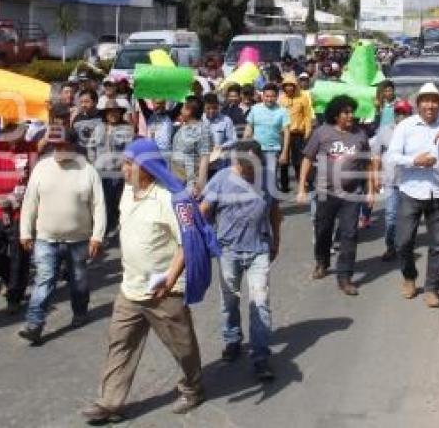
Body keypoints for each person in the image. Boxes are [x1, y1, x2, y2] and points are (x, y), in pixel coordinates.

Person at [81, 139, 204, 423]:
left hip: (164, 291)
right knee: (119, 344)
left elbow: (189, 242)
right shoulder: (127, 192)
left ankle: (193, 387)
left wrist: (171, 278)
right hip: (130, 289)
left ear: (147, 168)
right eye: (123, 162)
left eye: (129, 163)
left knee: (182, 347)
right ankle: (110, 402)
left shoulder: (170, 199)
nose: (123, 169)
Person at [200, 139, 280, 381]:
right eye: (244, 166)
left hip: (259, 248)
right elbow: (204, 210)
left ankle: (261, 357)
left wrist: (277, 241)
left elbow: (275, 211)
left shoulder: (266, 178)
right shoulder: (221, 179)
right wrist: (200, 242)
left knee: (260, 302)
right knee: (230, 300)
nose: (248, 171)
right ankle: (232, 339)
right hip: (228, 250)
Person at [18, 128, 106, 344]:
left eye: (63, 146)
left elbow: (99, 206)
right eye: (55, 146)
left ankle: (80, 311)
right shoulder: (41, 168)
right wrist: (25, 232)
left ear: (74, 146)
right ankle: (34, 324)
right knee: (44, 279)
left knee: (78, 280)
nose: (58, 150)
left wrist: (97, 236)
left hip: (79, 239)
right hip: (46, 237)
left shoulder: (87, 171)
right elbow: (30, 202)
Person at [388, 83, 439, 308]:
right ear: (418, 104)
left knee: (438, 245)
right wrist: (414, 161)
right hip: (410, 191)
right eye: (425, 101)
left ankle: (432, 288)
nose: (430, 105)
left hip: (438, 193)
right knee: (403, 242)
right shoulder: (406, 126)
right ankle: (409, 277)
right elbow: (391, 156)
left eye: (434, 101)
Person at [298, 95, 374, 296]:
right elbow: (307, 159)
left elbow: (368, 163)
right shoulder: (322, 133)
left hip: (351, 194)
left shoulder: (360, 135)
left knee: (350, 234)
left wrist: (371, 190)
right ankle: (322, 262)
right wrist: (301, 188)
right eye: (346, 112)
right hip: (325, 192)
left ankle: (345, 277)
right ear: (335, 114)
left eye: (352, 112)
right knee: (323, 231)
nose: (350, 116)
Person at [0, 120, 39, 314]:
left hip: (21, 210)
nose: (14, 135)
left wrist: (49, 113)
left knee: (19, 256)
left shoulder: (30, 148)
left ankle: (15, 295)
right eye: (10, 131)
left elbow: (48, 140)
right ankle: (12, 279)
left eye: (18, 130)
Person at [371, 99, 413, 262]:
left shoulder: (414, 131)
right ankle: (391, 247)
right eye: (398, 113)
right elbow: (376, 155)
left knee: (408, 216)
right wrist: (375, 176)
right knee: (390, 215)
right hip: (390, 180)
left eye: (404, 113)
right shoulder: (384, 131)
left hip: (410, 181)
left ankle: (405, 245)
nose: (401, 116)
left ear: (410, 115)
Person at [94, 100, 134, 242]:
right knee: (101, 202)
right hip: (99, 172)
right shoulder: (98, 128)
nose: (113, 114)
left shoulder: (126, 129)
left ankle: (115, 228)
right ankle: (104, 229)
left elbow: (129, 151)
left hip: (117, 172)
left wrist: (123, 165)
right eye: (110, 112)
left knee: (115, 202)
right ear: (105, 114)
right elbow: (92, 148)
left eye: (116, 112)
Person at [244, 84, 291, 197]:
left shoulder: (282, 111)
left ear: (277, 96)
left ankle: (271, 207)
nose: (269, 99)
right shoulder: (255, 109)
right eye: (267, 96)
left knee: (270, 181)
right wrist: (245, 146)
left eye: (272, 96)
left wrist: (284, 153)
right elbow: (249, 128)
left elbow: (287, 133)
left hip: (272, 150)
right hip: (255, 150)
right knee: (254, 179)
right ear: (263, 96)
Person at [278, 73, 314, 194]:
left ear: (295, 85)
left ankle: (302, 183)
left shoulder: (302, 98)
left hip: (298, 133)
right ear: (283, 86)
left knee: (298, 161)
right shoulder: (281, 99)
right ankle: (284, 186)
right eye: (286, 85)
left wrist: (308, 131)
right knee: (284, 160)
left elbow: (307, 116)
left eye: (291, 85)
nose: (289, 87)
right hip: (283, 133)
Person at [170, 101, 212, 194]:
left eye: (183, 108)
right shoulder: (183, 127)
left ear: (189, 111)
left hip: (190, 185)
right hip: (177, 180)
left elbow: (204, 159)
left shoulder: (202, 131)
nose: (180, 110)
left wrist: (200, 185)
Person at [202, 93, 237, 180]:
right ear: (203, 108)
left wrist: (221, 147)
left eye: (214, 108)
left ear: (218, 106)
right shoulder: (198, 120)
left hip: (219, 163)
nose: (211, 111)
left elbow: (233, 140)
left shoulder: (226, 120)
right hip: (201, 163)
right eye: (208, 108)